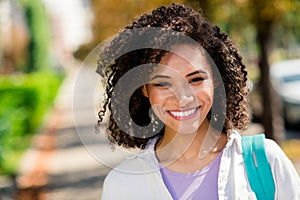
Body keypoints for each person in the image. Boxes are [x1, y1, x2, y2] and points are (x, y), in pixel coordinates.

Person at [96, 3, 300, 200]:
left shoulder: (264, 161)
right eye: (163, 83)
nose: (183, 97)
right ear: (144, 89)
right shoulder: (123, 184)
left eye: (196, 79)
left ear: (216, 81)